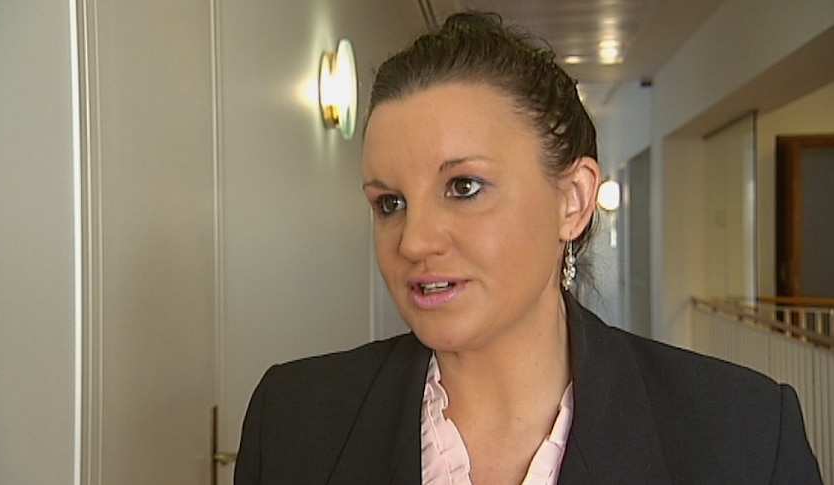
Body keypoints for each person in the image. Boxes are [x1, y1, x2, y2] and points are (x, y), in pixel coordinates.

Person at [234, 12, 822, 485]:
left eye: (463, 187)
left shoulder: (742, 433)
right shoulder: (293, 419)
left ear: (573, 199)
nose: (414, 240)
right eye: (390, 202)